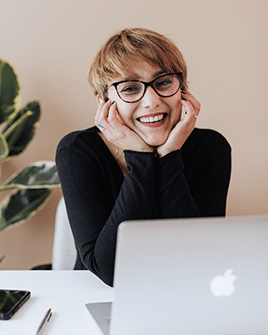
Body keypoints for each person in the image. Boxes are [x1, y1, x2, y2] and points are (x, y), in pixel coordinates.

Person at [55, 28, 232, 286]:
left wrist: (169, 156)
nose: (151, 101)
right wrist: (140, 157)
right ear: (104, 102)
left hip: (182, 292)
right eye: (129, 88)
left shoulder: (210, 147)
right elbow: (109, 271)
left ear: (182, 90)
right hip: (97, 297)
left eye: (163, 83)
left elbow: (201, 258)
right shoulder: (77, 151)